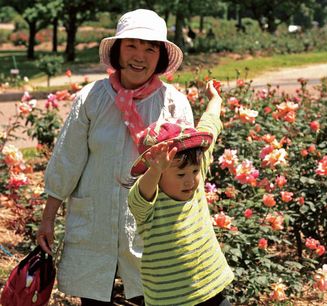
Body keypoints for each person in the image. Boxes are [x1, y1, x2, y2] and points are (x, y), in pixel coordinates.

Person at [37, 9, 194, 305]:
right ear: (118, 51)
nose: (140, 56)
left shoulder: (173, 104)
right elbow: (67, 161)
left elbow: (187, 172)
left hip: (150, 227)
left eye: (150, 48)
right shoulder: (92, 98)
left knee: (149, 294)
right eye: (131, 45)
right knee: (95, 297)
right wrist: (47, 219)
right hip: (96, 221)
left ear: (160, 56)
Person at [127, 80, 234, 306]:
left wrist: (215, 99)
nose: (190, 180)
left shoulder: (196, 176)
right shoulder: (149, 203)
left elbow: (210, 126)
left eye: (194, 171)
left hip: (211, 287)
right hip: (169, 299)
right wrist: (156, 169)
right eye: (179, 174)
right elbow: (138, 197)